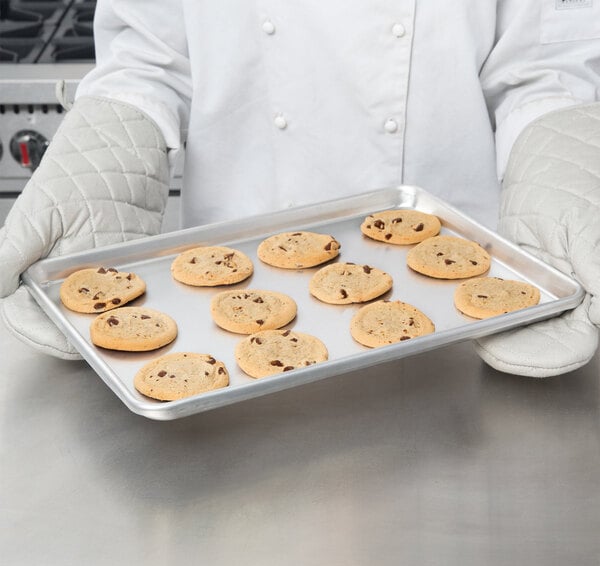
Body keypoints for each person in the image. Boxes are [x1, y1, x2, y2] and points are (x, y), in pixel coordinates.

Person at [0, 1, 599, 376]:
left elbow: (545, 64)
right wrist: (112, 146)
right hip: (231, 328)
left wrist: (563, 153)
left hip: (460, 325)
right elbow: (149, 51)